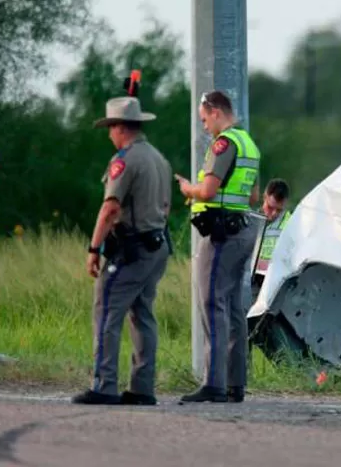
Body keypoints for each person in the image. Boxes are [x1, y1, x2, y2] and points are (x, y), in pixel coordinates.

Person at [72, 96, 172, 406]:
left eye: (110, 127)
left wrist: (94, 248)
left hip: (132, 250)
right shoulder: (159, 159)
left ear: (120, 128)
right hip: (157, 246)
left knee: (106, 312)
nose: (109, 135)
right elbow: (166, 207)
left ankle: (104, 385)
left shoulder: (125, 160)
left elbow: (110, 207)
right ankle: (142, 388)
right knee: (142, 315)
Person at [175, 90, 261, 403]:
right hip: (243, 230)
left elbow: (209, 190)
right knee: (234, 307)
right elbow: (253, 196)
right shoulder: (249, 144)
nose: (204, 127)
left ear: (215, 111)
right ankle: (235, 384)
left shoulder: (224, 143)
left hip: (222, 235)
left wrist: (188, 188)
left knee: (213, 304)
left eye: (204, 120)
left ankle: (214, 383)